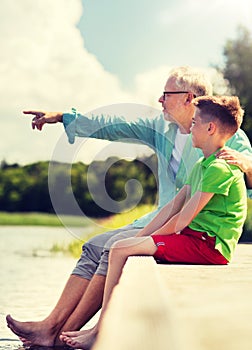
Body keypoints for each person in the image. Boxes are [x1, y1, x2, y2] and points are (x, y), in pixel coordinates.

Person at [6, 67, 252, 347]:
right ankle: (53, 325)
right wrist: (65, 118)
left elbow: (239, 179)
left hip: (195, 228)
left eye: (166, 94)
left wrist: (247, 164)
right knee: (94, 246)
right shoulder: (164, 128)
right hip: (162, 216)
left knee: (110, 246)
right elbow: (116, 125)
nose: (160, 100)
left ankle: (62, 332)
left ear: (188, 98)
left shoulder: (225, 135)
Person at [59, 95, 248, 349]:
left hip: (209, 246)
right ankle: (97, 327)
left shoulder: (220, 169)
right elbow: (172, 206)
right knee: (123, 246)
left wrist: (146, 240)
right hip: (196, 238)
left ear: (210, 128)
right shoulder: (203, 164)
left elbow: (182, 220)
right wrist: (140, 237)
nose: (190, 129)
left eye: (194, 124)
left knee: (119, 248)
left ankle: (99, 330)